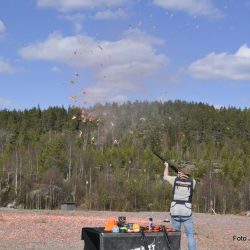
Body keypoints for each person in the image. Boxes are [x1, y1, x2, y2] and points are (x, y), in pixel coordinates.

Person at [163, 162, 197, 250]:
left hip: (175, 210)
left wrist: (166, 166)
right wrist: (181, 175)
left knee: (175, 236)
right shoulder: (193, 182)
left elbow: (165, 176)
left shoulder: (175, 180)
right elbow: (187, 180)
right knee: (190, 235)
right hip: (186, 211)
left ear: (181, 172)